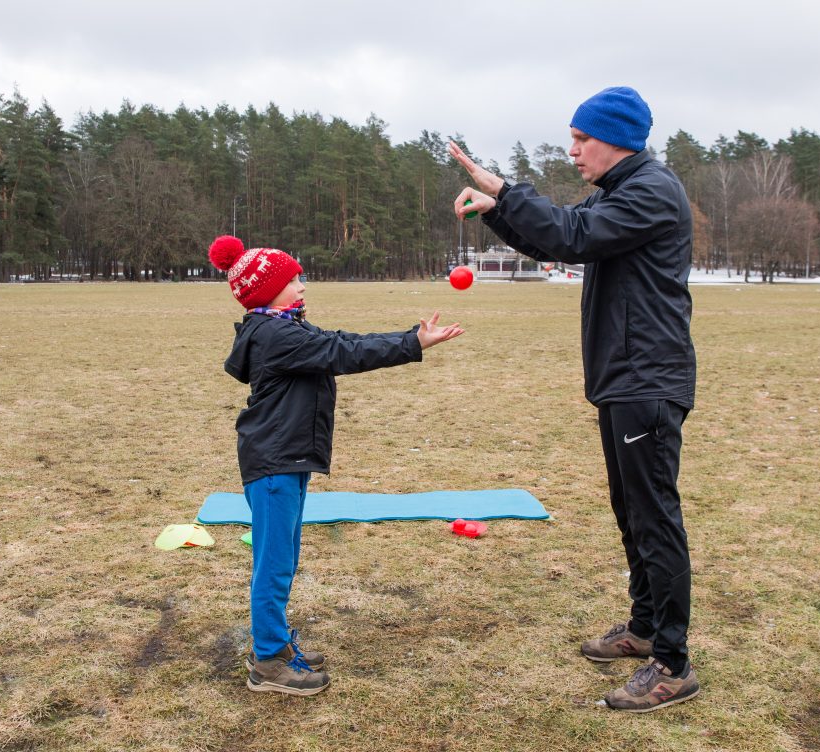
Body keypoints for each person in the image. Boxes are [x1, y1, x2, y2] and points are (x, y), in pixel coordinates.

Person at [449, 86, 698, 713]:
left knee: (654, 516)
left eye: (582, 139)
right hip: (623, 377)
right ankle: (644, 630)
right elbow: (557, 239)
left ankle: (672, 661)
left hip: (647, 379)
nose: (573, 149)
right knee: (631, 510)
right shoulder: (623, 192)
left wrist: (504, 189)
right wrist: (495, 210)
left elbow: (570, 231)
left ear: (616, 138)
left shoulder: (651, 191)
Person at [208, 235, 463, 697]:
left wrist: (412, 339)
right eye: (292, 279)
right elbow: (345, 354)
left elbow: (341, 341)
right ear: (266, 291)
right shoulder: (275, 335)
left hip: (286, 456)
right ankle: (267, 661)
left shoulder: (282, 326)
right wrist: (412, 344)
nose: (302, 286)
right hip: (274, 462)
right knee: (274, 562)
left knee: (284, 556)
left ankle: (277, 643)